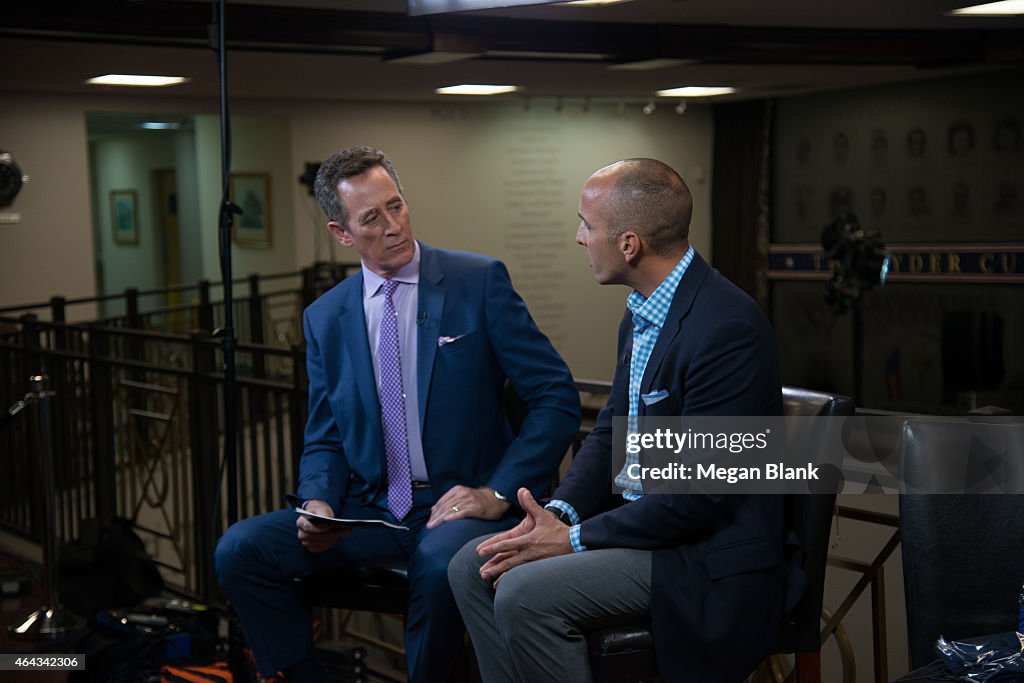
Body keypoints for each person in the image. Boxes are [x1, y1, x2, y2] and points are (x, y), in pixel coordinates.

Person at [215, 146, 581, 683]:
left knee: (437, 567)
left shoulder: (477, 282)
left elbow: (555, 396)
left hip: (463, 505)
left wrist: (496, 493)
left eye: (397, 206)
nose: (393, 226)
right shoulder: (325, 317)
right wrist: (318, 499)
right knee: (239, 550)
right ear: (341, 233)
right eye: (371, 218)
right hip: (372, 510)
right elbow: (325, 434)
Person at [449, 158, 804, 683]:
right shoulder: (642, 308)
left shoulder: (728, 328)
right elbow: (614, 428)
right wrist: (562, 512)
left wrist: (570, 540)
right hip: (654, 530)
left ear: (629, 244)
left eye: (587, 226)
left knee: (524, 592)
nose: (579, 238)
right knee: (470, 568)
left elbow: (696, 502)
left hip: (705, 557)